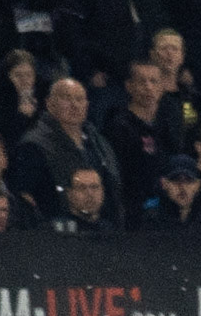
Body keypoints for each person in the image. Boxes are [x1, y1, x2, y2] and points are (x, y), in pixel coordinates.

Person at [13, 76, 124, 224]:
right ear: (50, 104)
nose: (74, 105)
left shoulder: (100, 144)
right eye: (66, 98)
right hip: (56, 234)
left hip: (102, 232)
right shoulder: (34, 145)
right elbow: (25, 197)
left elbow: (113, 189)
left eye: (79, 99)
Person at [102, 59, 179, 225]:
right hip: (131, 213)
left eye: (153, 81)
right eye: (142, 81)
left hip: (165, 209)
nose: (148, 87)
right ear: (129, 86)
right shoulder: (118, 126)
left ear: (162, 87)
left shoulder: (168, 124)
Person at [137, 152, 201, 232]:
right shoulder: (151, 219)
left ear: (198, 185)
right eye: (175, 180)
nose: (182, 187)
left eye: (188, 181)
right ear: (164, 183)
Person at [47, 164, 117, 233]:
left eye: (94, 187)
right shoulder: (56, 230)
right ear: (69, 194)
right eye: (81, 188)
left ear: (102, 191)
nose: (90, 193)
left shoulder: (111, 230)